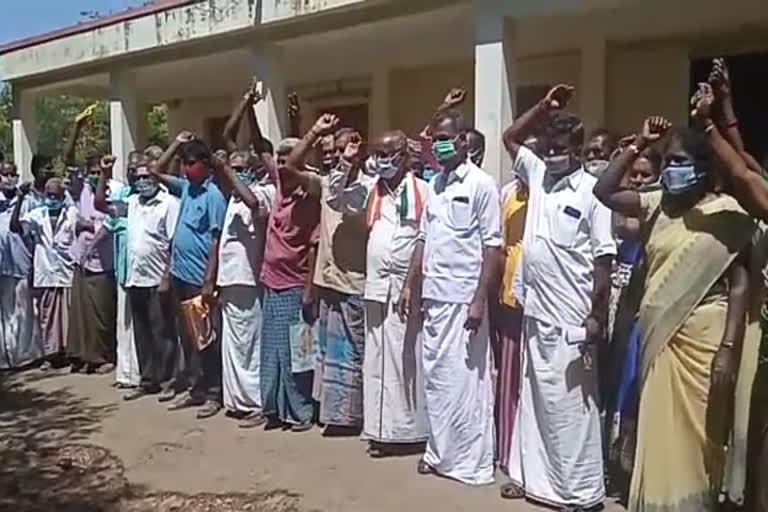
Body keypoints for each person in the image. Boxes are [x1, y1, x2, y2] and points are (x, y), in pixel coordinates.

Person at [593, 96, 757, 512]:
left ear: (703, 170)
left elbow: (739, 285)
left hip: (706, 343)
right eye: (667, 162)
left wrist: (729, 349)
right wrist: (637, 145)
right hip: (660, 344)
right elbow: (604, 190)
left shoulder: (728, 214)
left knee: (698, 440)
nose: (671, 170)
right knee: (662, 433)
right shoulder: (654, 206)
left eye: (680, 162)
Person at [500, 84, 615, 509]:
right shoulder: (537, 176)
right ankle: (532, 479)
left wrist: (596, 316)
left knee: (573, 408)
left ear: (580, 149)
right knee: (532, 399)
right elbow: (510, 138)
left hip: (572, 318)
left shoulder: (595, 192)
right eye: (547, 147)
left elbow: (603, 259)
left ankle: (580, 492)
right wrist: (543, 108)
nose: (551, 155)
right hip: (536, 312)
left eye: (561, 148)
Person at [400, 109, 501, 485]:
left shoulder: (481, 185)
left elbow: (492, 247)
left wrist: (479, 300)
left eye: (445, 137)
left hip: (464, 300)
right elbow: (424, 239)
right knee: (437, 379)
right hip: (435, 297)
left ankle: (470, 463)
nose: (438, 144)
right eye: (435, 139)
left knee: (467, 383)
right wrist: (411, 283)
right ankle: (439, 452)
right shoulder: (436, 185)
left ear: (463, 140)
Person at [326, 129, 428, 455]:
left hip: (407, 289)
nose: (383, 161)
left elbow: (424, 241)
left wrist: (413, 283)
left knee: (407, 358)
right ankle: (380, 431)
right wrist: (346, 161)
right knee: (377, 359)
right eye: (378, 154)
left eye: (389, 154)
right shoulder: (371, 189)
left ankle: (409, 432)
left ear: (403, 156)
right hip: (376, 288)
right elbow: (335, 198)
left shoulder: (423, 191)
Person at [150, 133, 227, 419]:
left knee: (205, 338)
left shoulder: (213, 196)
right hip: (179, 275)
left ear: (205, 164)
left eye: (190, 162)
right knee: (187, 337)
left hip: (198, 279)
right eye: (183, 162)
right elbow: (156, 171)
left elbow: (217, 239)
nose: (185, 168)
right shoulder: (186, 189)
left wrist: (209, 279)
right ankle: (195, 388)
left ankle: (213, 393)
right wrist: (176, 144)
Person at [258, 119, 328, 431]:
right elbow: (262, 152)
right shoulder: (279, 193)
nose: (281, 166)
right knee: (272, 350)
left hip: (296, 285)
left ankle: (300, 412)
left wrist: (310, 289)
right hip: (271, 283)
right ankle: (274, 408)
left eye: (288, 159)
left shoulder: (312, 190)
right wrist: (249, 107)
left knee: (297, 354)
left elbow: (313, 248)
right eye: (279, 159)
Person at [215, 150, 276, 425]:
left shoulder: (262, 192)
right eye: (233, 168)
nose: (236, 172)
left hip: (248, 278)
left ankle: (256, 402)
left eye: (241, 168)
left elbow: (253, 203)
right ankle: (237, 400)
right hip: (229, 279)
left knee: (251, 345)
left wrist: (226, 170)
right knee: (234, 345)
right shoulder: (231, 197)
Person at [11, 178, 78, 369]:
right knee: (47, 316)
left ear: (62, 196)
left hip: (66, 271)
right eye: (49, 195)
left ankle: (69, 352)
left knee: (69, 314)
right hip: (46, 271)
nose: (52, 198)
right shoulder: (37, 215)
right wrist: (20, 198)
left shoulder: (71, 213)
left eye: (56, 195)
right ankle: (50, 354)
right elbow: (16, 228)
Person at [67, 152, 119, 375]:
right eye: (93, 173)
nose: (96, 176)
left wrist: (92, 228)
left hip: (103, 262)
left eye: (100, 173)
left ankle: (104, 356)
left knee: (102, 312)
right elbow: (69, 158)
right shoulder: (83, 191)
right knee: (82, 314)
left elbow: (111, 222)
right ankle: (84, 355)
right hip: (82, 259)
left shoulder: (115, 190)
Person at [95, 151, 142, 389]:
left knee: (145, 327)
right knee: (124, 325)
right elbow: (101, 205)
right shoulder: (124, 196)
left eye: (138, 169)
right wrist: (104, 174)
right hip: (124, 270)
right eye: (131, 169)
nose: (134, 174)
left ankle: (146, 375)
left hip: (147, 273)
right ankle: (127, 375)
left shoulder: (150, 197)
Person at [494, 159, 528, 475]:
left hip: (548, 301)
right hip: (510, 295)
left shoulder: (550, 193)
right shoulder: (509, 193)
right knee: (509, 378)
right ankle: (507, 453)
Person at [0, 162, 42, 369]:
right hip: (2, 265)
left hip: (21, 262)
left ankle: (23, 356)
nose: (9, 178)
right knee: (5, 312)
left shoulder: (28, 201)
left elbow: (26, 231)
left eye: (12, 174)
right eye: (5, 174)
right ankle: (5, 357)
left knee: (23, 311)